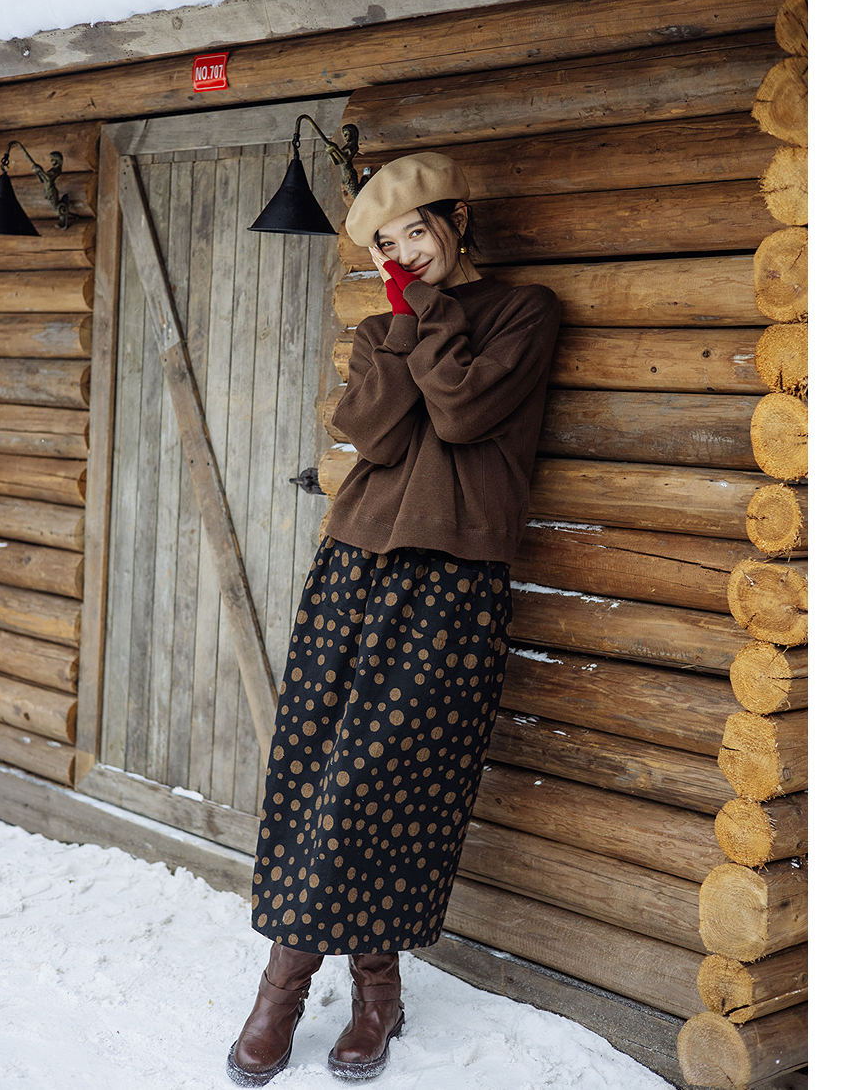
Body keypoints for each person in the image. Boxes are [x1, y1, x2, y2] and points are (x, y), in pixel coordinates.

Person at [227, 151, 560, 1085]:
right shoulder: (382, 329)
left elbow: (460, 411)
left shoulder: (524, 313)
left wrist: (430, 315)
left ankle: (286, 989)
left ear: (456, 221)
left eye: (416, 230)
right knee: (313, 770)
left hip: (452, 581)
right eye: (384, 244)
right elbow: (370, 429)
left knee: (383, 784)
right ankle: (375, 988)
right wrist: (406, 320)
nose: (402, 253)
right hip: (352, 567)